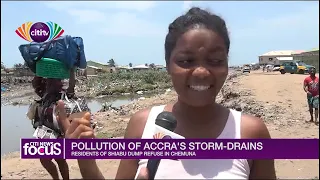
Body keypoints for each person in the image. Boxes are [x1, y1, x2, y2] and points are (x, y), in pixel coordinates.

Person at [56, 7, 276, 179]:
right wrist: (86, 162)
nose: (201, 72)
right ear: (168, 65)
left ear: (227, 64)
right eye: (186, 61)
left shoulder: (250, 132)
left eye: (216, 61)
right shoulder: (142, 125)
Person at [31, 76, 70, 180]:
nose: (50, 83)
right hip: (44, 133)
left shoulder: (62, 97)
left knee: (60, 159)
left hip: (58, 133)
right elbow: (36, 84)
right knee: (44, 160)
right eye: (49, 81)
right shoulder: (45, 94)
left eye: (54, 81)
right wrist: (39, 73)